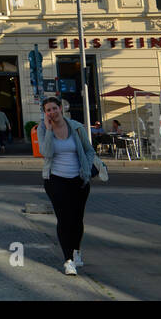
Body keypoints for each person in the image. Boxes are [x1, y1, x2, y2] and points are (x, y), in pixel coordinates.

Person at [37, 97, 97, 275]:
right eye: (48, 110)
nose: (52, 112)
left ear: (61, 108)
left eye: (54, 108)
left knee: (77, 220)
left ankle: (76, 251)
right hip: (55, 179)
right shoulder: (42, 128)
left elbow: (89, 150)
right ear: (45, 113)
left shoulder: (76, 127)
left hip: (78, 180)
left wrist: (85, 168)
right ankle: (68, 260)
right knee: (64, 220)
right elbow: (46, 153)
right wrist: (48, 130)